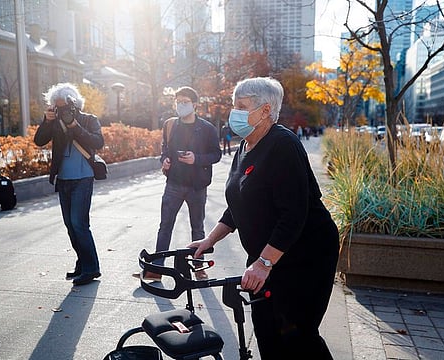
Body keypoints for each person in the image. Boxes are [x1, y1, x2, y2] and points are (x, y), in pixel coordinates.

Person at [188, 77, 339, 359]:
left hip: (305, 254)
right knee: (266, 327)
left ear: (265, 110)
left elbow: (294, 214)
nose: (234, 113)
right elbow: (237, 205)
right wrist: (209, 240)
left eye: (241, 106)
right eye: (234, 105)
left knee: (297, 333)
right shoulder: (245, 147)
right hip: (268, 253)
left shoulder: (283, 145)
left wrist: (264, 263)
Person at [135, 86, 222, 281]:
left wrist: (196, 158)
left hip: (197, 186)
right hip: (173, 183)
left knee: (197, 227)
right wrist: (164, 159)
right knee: (165, 225)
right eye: (178, 102)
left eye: (185, 102)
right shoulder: (170, 124)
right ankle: (156, 270)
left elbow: (216, 154)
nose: (180, 105)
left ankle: (198, 267)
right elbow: (165, 148)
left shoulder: (207, 128)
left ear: (195, 105)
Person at [34, 82, 104, 286]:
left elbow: (98, 142)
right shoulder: (54, 122)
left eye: (64, 106)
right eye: (57, 107)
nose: (61, 110)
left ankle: (92, 268)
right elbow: (39, 141)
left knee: (79, 224)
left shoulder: (89, 120)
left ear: (74, 104)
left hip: (83, 177)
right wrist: (47, 121)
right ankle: (82, 263)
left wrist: (75, 126)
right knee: (70, 226)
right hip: (63, 178)